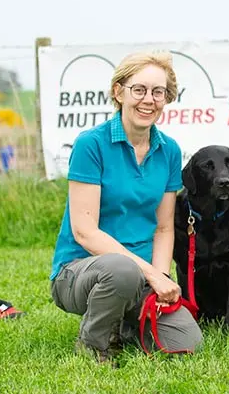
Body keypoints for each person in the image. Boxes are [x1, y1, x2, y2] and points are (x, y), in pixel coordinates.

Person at [49, 51, 203, 366]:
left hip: (142, 275)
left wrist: (159, 277)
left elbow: (163, 228)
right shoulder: (91, 144)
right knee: (121, 270)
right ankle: (95, 344)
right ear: (119, 92)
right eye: (139, 90)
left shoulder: (169, 150)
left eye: (158, 92)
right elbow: (85, 231)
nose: (149, 100)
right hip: (81, 271)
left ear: (167, 98)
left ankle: (122, 321)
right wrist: (150, 274)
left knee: (188, 341)